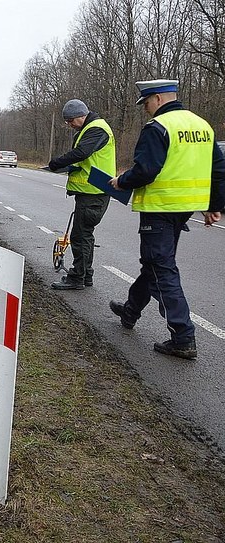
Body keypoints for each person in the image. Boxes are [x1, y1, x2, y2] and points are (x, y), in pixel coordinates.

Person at [109, 79, 225, 360]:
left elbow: (146, 170)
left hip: (160, 208)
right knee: (154, 264)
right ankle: (131, 310)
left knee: (162, 269)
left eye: (146, 103)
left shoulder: (157, 127)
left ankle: (183, 336)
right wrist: (214, 205)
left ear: (159, 99)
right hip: (184, 209)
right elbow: (219, 169)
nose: (146, 109)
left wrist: (121, 181)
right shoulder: (202, 125)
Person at [48, 99, 116, 290]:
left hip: (94, 192)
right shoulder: (91, 129)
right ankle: (86, 275)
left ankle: (77, 277)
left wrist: (57, 162)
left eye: (70, 121)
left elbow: (82, 153)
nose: (69, 125)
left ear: (80, 116)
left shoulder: (96, 129)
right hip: (93, 191)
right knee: (85, 235)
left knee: (80, 236)